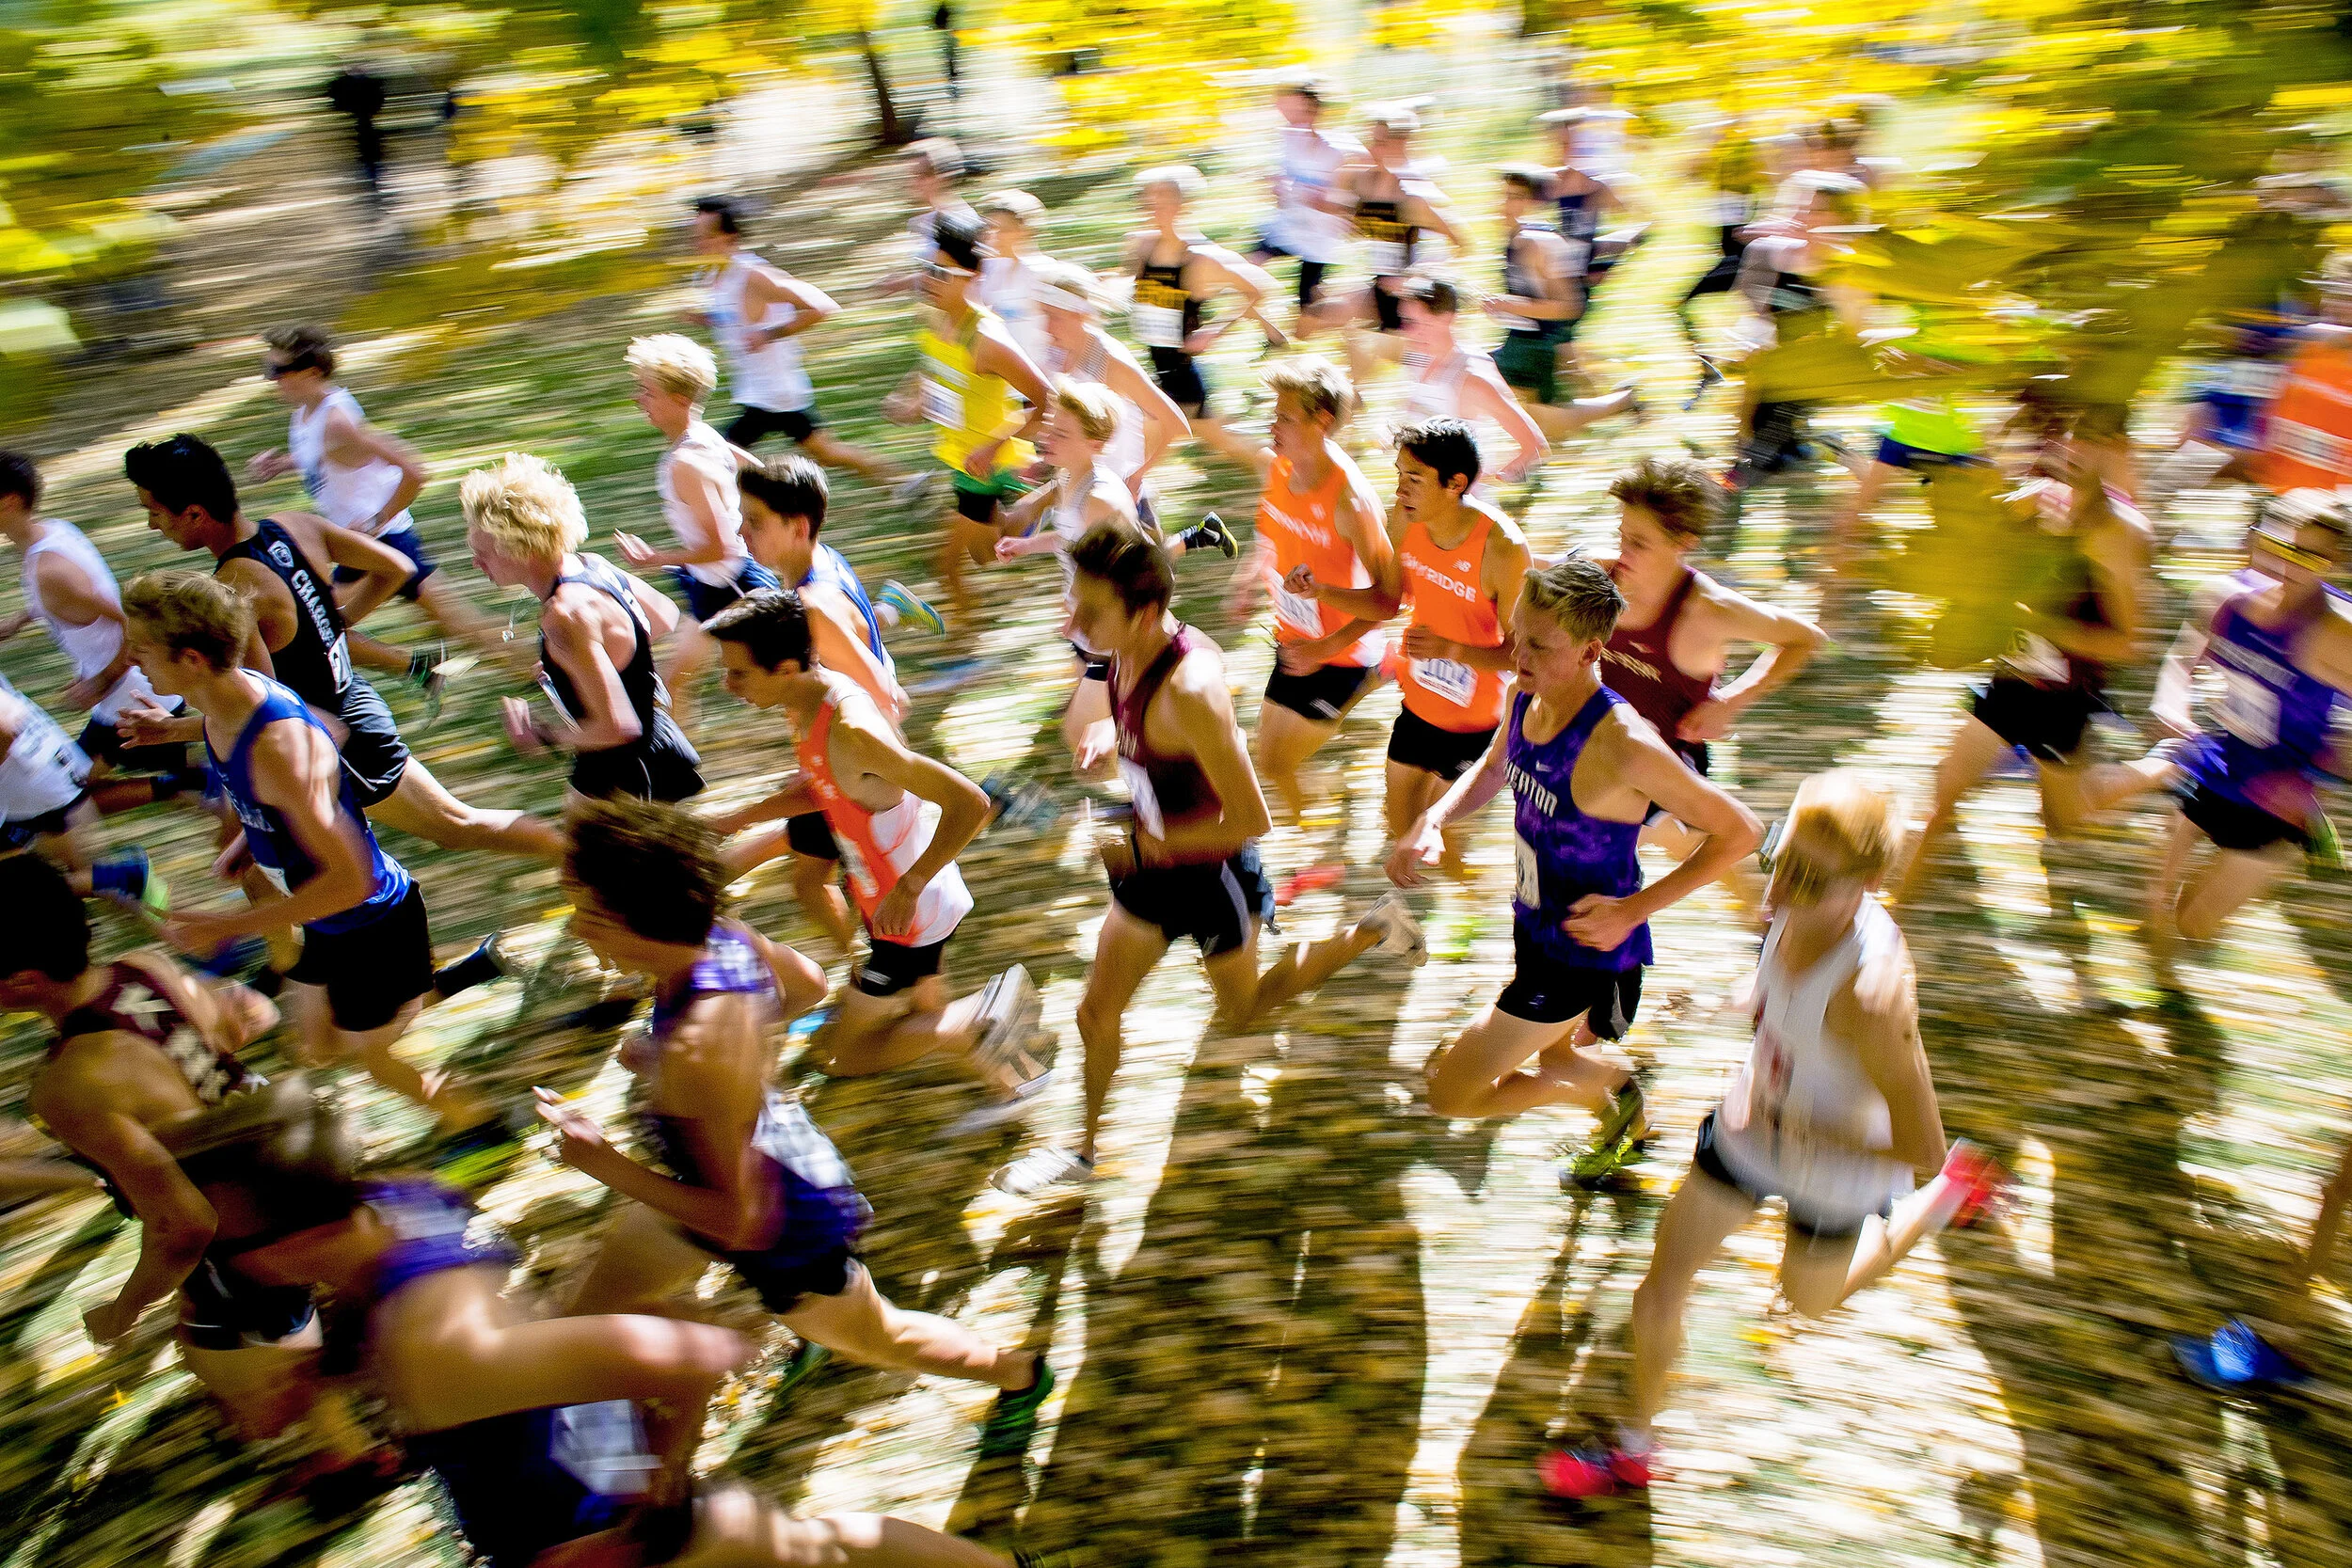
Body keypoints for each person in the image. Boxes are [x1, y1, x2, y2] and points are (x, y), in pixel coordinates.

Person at [197, 1128, 1057, 1567]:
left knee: (822, 1550)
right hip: (577, 1494)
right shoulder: (396, 1204)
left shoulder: (439, 1354)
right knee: (821, 1546)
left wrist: (656, 1494)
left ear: (284, 1246)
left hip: (608, 1534)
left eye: (221, 1241)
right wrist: (321, 1371)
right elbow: (395, 1297)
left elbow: (695, 1353)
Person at [1540, 771, 2005, 1498]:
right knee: (1660, 1288)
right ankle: (1636, 1446)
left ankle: (1954, 1192)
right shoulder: (1790, 903)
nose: (1781, 890)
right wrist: (1730, 1002)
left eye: (1809, 878)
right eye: (1781, 860)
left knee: (1808, 1301)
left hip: (1839, 1168)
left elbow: (1918, 1143)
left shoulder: (1874, 994)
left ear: (1868, 884)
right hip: (1751, 1126)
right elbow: (1779, 986)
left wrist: (1813, 1128)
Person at [544, 798, 1059, 1451]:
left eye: (589, 916)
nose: (579, 933)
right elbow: (808, 984)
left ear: (636, 915)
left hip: (784, 1230)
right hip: (721, 1167)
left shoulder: (695, 1055)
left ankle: (1019, 1374)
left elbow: (740, 1221)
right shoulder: (722, 939)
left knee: (882, 1336)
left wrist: (601, 1161)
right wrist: (723, 1073)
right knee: (584, 1316)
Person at [990, 522, 1425, 1197]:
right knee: (1094, 1013)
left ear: (1140, 612)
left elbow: (1253, 820)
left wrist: (1141, 843)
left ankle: (1371, 927)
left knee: (1243, 1011)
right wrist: (1114, 736)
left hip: (1211, 875)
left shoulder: (1191, 688)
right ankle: (1082, 1150)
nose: (1072, 619)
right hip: (1147, 869)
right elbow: (1167, 699)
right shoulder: (1128, 648)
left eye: (1089, 608)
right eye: (1075, 599)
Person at [1387, 558, 1760, 1181]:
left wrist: (1632, 911)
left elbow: (1740, 831)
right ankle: (1613, 1109)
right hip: (1533, 924)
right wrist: (1435, 818)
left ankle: (1604, 1095)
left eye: (1537, 644)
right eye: (1515, 635)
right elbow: (1494, 767)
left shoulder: (1625, 743)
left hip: (1583, 952)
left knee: (1451, 1092)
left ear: (1591, 651)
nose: (1516, 654)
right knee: (1553, 1056)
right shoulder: (1524, 694)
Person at [0, 853, 372, 1461]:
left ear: (22, 982)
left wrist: (121, 1313)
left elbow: (183, 1226)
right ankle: (326, 1411)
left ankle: (340, 1452)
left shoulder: (66, 1085)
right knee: (276, 1315)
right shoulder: (141, 967)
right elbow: (220, 1039)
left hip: (239, 1227)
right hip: (281, 1158)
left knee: (233, 1365)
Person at [120, 571, 501, 1141]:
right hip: (323, 916)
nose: (134, 658)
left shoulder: (277, 749)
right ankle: (442, 981)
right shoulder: (233, 694)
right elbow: (302, 732)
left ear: (193, 659)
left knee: (366, 1058)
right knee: (316, 1048)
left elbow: (352, 880)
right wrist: (173, 737)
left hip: (369, 924)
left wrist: (230, 925)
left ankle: (482, 1121)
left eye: (143, 649)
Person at [122, 433, 564, 860]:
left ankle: (587, 860)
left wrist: (171, 729)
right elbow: (397, 566)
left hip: (336, 736)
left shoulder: (233, 587)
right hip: (350, 705)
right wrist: (333, 624)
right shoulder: (293, 525)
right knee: (275, 862)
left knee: (455, 825)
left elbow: (259, 710)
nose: (150, 525)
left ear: (195, 514)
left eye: (156, 513)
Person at [702, 591, 1050, 1115]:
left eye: (739, 674)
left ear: (788, 666)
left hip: (906, 910)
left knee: (840, 1058)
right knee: (924, 1001)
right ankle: (1011, 1084)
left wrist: (909, 887)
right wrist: (742, 817)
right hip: (898, 901)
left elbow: (969, 802)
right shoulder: (808, 703)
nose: (728, 687)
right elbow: (825, 786)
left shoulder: (853, 731)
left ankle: (981, 1018)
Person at [2077, 491, 2352, 983]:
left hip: (2278, 797)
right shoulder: (2225, 599)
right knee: (2159, 902)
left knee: (2195, 924)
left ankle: (2306, 829)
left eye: (2310, 555)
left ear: (2332, 563)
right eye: (2281, 547)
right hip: (2219, 758)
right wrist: (2171, 703)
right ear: (2258, 541)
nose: (2290, 566)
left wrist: (2320, 774)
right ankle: (2159, 963)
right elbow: (2185, 658)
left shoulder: (2336, 636)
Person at [1895, 434, 2151, 906]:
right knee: (1943, 793)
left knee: (2066, 823)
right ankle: (1889, 919)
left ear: (2112, 454)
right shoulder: (2037, 499)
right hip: (2011, 679)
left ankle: (2164, 767)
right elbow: (1983, 541)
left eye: (2086, 446)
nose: (2070, 454)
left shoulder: (2118, 538)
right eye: (2069, 443)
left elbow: (2125, 645)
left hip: (2064, 699)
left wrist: (2034, 620)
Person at [1290, 419, 1528, 873]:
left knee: (1442, 836)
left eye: (1413, 479)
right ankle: (1422, 911)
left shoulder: (1503, 548)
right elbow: (1385, 601)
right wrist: (1320, 594)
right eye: (1398, 475)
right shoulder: (1405, 521)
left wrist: (1451, 649)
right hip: (1418, 708)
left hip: (1475, 723)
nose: (1399, 491)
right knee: (1399, 824)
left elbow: (1521, 654)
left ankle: (1466, 897)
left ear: (1455, 484)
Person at [1599, 455, 1824, 897]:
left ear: (1682, 542)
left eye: (1639, 544)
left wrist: (1730, 701)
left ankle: (1769, 901)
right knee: (1689, 847)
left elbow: (1805, 638)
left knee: (1693, 845)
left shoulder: (1708, 609)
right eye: (1621, 537)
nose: (1622, 554)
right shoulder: (1600, 576)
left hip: (1665, 763)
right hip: (1600, 751)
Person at [246, 325, 504, 705]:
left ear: (312, 372)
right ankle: (439, 669)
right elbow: (324, 458)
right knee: (461, 626)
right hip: (367, 546)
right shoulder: (306, 414)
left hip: (381, 544)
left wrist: (373, 524)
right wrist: (281, 464)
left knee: (316, 626)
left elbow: (415, 471)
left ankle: (431, 670)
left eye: (279, 372)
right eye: (269, 370)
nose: (273, 380)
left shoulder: (339, 423)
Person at [724, 455, 912, 957]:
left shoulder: (813, 604)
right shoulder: (814, 565)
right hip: (841, 766)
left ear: (798, 526)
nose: (741, 532)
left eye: (755, 521)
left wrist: (857, 776)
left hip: (859, 782)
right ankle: (862, 967)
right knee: (810, 879)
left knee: (841, 891)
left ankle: (872, 979)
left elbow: (886, 700)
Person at [461, 453, 704, 805]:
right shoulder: (593, 565)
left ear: (523, 550)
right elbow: (663, 614)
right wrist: (590, 665)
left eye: (483, 552)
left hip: (627, 775)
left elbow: (618, 727)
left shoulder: (565, 615)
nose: (475, 563)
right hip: (646, 752)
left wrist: (543, 735)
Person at [1230, 356, 1393, 831]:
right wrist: (1246, 581)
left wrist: (1325, 649)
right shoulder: (1280, 468)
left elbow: (1389, 599)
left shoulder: (1351, 501)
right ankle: (1307, 816)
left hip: (1341, 655)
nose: (1272, 424)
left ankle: (1379, 670)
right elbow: (1272, 535)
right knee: (1271, 758)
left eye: (1284, 416)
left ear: (1321, 421)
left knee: (1276, 760)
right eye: (1274, 413)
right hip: (1294, 638)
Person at [0, 449, 207, 808]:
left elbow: (134, 622)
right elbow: (68, 603)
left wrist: (100, 681)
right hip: (134, 691)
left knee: (72, 792)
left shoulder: (51, 571)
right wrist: (19, 620)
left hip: (132, 696)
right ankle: (210, 785)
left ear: (10, 501)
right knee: (85, 786)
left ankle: (210, 789)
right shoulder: (54, 533)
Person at [883, 210, 1054, 628]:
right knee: (985, 553)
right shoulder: (936, 321)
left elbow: (1044, 399)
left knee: (948, 563)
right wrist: (915, 402)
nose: (928, 280)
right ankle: (1045, 500)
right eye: (924, 269)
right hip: (960, 458)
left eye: (940, 272)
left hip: (985, 466)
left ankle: (965, 643)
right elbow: (940, 373)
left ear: (971, 276)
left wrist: (993, 445)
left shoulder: (987, 339)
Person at [612, 334, 779, 727]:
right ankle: (682, 776)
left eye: (648, 392)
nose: (639, 400)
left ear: (680, 401)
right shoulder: (704, 437)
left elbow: (719, 548)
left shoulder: (687, 462)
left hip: (735, 587)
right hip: (709, 584)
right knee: (675, 682)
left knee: (798, 670)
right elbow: (757, 471)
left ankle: (888, 610)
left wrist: (657, 559)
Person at [687, 197, 905, 489]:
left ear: (730, 237)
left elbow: (822, 306)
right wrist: (703, 318)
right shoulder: (715, 275)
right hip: (764, 390)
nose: (698, 243)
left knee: (719, 457)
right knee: (827, 453)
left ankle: (770, 500)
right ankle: (907, 481)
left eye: (706, 236)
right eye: (695, 236)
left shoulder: (754, 276)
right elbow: (734, 318)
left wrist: (768, 334)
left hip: (772, 394)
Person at [1123, 165, 1287, 467]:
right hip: (1158, 366)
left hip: (1181, 376)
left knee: (1138, 446)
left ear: (1181, 206)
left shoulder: (1200, 258)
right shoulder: (1141, 246)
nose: (1149, 206)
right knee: (1225, 441)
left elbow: (1261, 288)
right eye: (1148, 199)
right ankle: (1276, 467)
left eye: (1159, 199)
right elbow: (1134, 286)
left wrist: (1215, 330)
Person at [1032, 259, 1196, 536]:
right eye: (1044, 314)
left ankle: (1193, 537)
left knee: (1147, 577)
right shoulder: (1056, 352)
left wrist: (1136, 477)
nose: (1046, 327)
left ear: (1079, 314)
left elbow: (1178, 424)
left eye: (1054, 316)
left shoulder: (1111, 360)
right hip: (1077, 493)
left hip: (1119, 497)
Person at [1486, 168, 1644, 442]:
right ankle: (1621, 403)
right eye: (1502, 195)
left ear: (1533, 203)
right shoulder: (1515, 240)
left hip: (1537, 348)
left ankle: (1623, 402)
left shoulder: (1538, 243)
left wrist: (1510, 306)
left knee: (1546, 420)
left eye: (1514, 197)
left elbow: (1569, 306)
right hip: (1523, 341)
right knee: (1546, 421)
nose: (1503, 204)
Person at [1327, 105, 1463, 383]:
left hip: (1415, 300)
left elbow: (1460, 242)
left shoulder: (1413, 193)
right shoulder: (1367, 183)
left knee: (1428, 379)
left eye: (1379, 141)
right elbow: (1355, 217)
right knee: (1329, 317)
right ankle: (1354, 403)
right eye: (1370, 140)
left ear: (1401, 144)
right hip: (1382, 287)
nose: (1371, 148)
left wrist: (1417, 279)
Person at [1392, 277, 1551, 486]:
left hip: (1458, 508)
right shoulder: (1417, 357)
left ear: (1446, 318)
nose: (1406, 331)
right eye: (1404, 321)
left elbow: (1535, 446)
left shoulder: (1471, 378)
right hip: (1416, 497)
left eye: (1415, 322)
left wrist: (1485, 479)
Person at [1248, 72, 1363, 333]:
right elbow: (1280, 195)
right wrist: (1275, 188)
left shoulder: (1343, 149)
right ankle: (1274, 335)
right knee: (1244, 270)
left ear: (1315, 108)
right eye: (1284, 106)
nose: (1289, 114)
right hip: (1286, 230)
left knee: (1305, 327)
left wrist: (1313, 197)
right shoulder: (1285, 140)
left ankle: (1354, 316)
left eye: (1295, 106)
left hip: (1320, 240)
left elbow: (1349, 207)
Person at [977, 188, 1057, 372]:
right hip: (1001, 378)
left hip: (1040, 378)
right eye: (991, 228)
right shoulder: (987, 270)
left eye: (1003, 230)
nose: (994, 236)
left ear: (1023, 231)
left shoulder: (1044, 272)